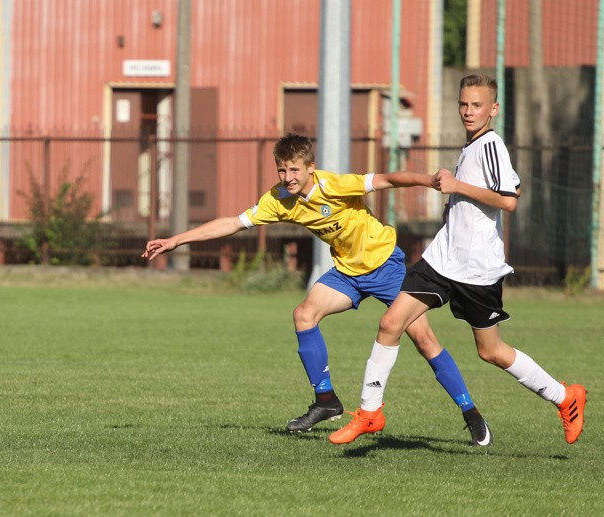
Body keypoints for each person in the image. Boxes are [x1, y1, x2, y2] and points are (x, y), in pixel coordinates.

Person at [143, 133, 492, 443]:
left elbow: (386, 179)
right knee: (304, 314)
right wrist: (176, 240)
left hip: (386, 266)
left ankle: (470, 412)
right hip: (347, 273)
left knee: (425, 341)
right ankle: (326, 401)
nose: (288, 177)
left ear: (311, 167)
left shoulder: (334, 185)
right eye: (282, 170)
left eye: (294, 170)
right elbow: (233, 223)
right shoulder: (280, 198)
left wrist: (429, 180)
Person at [329, 74, 587, 446]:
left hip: (476, 267)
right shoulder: (472, 145)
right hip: (442, 258)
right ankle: (370, 413)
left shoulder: (491, 144)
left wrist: (457, 187)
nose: (468, 111)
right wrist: (454, 199)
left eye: (476, 105)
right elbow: (510, 185)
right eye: (463, 104)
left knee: (491, 351)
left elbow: (509, 200)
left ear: (493, 109)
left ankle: (565, 397)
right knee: (390, 323)